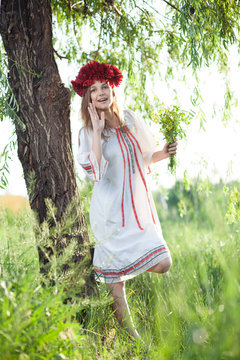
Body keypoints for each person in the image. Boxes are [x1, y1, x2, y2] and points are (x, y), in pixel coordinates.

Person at [71, 61, 177, 340]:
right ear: (88, 98)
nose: (100, 92)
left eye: (104, 86)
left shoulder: (130, 119)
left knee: (163, 262)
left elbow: (144, 157)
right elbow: (96, 170)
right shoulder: (86, 133)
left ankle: (124, 264)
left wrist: (164, 152)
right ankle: (134, 342)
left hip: (138, 209)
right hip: (110, 213)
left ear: (113, 89)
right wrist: (96, 130)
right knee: (115, 282)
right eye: (93, 89)